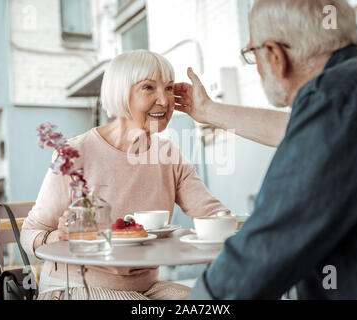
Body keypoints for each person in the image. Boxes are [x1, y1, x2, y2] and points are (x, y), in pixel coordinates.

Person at [175, 0, 357, 299]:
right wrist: (208, 110)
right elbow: (292, 130)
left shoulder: (332, 102)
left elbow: (263, 250)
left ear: (274, 55)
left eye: (252, 53)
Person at [20, 50, 231, 300]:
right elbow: (29, 233)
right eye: (149, 88)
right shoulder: (75, 152)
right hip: (73, 286)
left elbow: (212, 214)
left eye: (169, 88)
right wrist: (58, 235)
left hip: (147, 288)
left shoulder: (168, 155)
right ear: (121, 92)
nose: (164, 100)